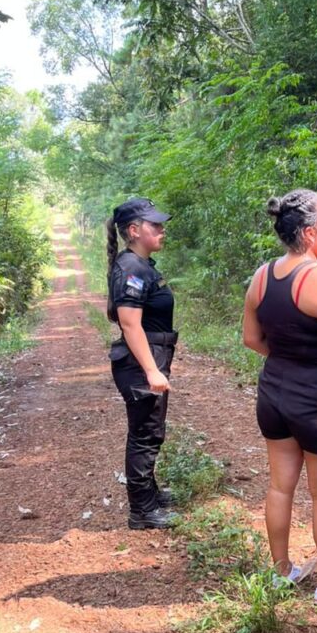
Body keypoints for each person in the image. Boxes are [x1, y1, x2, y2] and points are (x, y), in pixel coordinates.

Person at [243, 189, 317, 608]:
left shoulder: (261, 276)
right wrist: (313, 359)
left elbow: (250, 338)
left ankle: (281, 572)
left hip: (273, 392)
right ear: (310, 233)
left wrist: (287, 357)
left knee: (280, 487)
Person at [106, 197, 179, 530]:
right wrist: (151, 370)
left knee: (150, 430)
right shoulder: (132, 267)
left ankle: (150, 493)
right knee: (145, 434)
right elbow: (130, 323)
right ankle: (142, 510)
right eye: (155, 225)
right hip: (140, 363)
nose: (162, 230)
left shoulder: (142, 265)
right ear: (134, 231)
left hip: (149, 356)